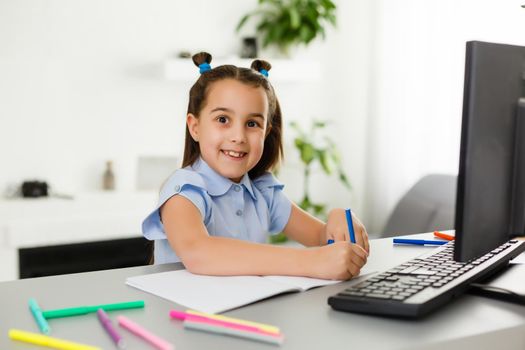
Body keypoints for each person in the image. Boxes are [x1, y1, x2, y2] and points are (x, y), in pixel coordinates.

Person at [142, 52, 369, 280]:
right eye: (223, 119)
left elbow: (321, 237)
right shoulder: (183, 191)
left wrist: (339, 219)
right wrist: (308, 261)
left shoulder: (263, 191)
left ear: (266, 132)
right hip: (187, 314)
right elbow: (198, 253)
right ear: (195, 127)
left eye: (252, 123)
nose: (238, 136)